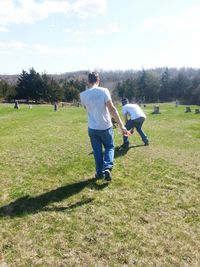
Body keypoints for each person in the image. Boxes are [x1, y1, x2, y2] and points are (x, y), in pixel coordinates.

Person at [80, 72, 128, 181]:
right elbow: (112, 109)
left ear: (88, 81)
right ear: (98, 80)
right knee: (109, 147)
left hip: (92, 128)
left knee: (97, 151)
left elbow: (87, 109)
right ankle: (107, 168)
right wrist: (121, 125)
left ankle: (99, 173)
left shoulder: (82, 95)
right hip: (105, 127)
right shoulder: (104, 91)